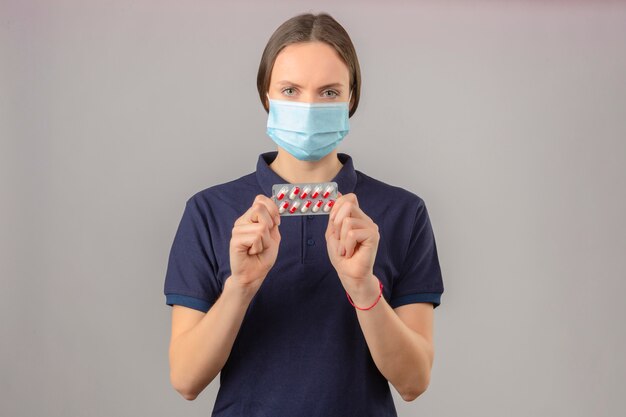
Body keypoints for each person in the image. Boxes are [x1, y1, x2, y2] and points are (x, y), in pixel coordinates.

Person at [163, 12, 444, 417]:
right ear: (266, 96)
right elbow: (186, 380)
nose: (309, 106)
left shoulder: (402, 213)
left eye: (329, 92)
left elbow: (414, 382)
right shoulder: (209, 211)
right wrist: (240, 286)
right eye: (291, 90)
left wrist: (364, 288)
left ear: (351, 99)